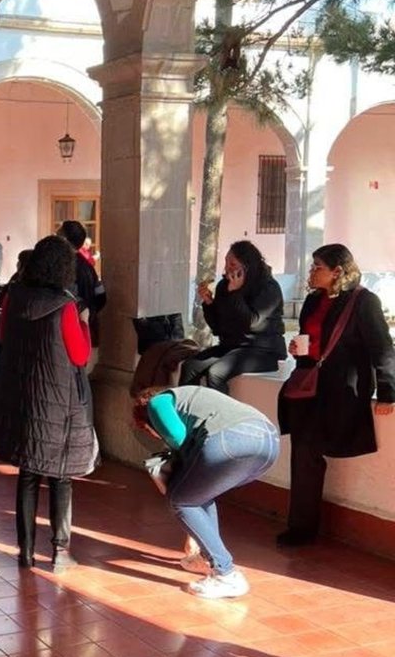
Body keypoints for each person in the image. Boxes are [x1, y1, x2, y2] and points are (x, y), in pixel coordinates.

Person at [277, 243, 395, 547]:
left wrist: (387, 391)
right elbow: (311, 338)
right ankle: (301, 527)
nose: (312, 271)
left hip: (342, 388)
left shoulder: (363, 301)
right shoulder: (312, 300)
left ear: (337, 271)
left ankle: (302, 528)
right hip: (310, 383)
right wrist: (299, 349)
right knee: (303, 452)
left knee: (309, 450)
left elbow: (382, 347)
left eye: (318, 266)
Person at [0, 235, 97, 573]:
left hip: (23, 398)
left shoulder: (13, 298)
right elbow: (79, 355)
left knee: (27, 474)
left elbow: (2, 336)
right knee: (60, 477)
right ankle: (60, 551)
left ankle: (25, 552)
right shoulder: (65, 306)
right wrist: (84, 323)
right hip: (58, 403)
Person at [133, 385, 280, 598]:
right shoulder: (191, 399)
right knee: (199, 493)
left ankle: (226, 575)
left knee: (179, 499)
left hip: (233, 439)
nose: (156, 436)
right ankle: (206, 557)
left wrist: (172, 470)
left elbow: (177, 437)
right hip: (269, 443)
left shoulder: (157, 403)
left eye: (149, 431)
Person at [181, 240, 286, 392]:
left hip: (263, 350)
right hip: (231, 346)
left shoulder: (268, 287)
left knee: (216, 373)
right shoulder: (224, 286)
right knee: (190, 366)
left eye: (232, 264)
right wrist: (209, 303)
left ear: (247, 265)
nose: (227, 269)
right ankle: (186, 405)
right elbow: (218, 327)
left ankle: (220, 408)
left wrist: (235, 293)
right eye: (226, 263)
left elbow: (251, 323)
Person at [58, 221, 106, 353]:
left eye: (58, 234)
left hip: (69, 327)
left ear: (64, 239)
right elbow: (101, 296)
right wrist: (90, 311)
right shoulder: (88, 267)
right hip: (84, 325)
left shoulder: (62, 267)